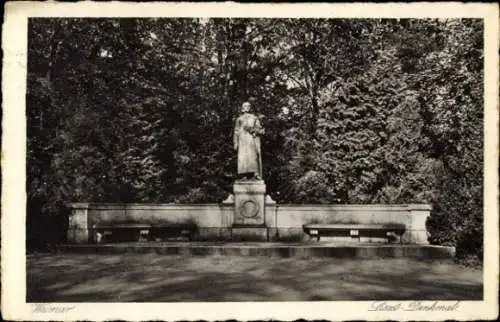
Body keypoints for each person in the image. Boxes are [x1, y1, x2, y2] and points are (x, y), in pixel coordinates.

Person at [233, 102, 264, 180]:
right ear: (242, 108)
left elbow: (259, 128)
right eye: (245, 106)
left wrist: (255, 132)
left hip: (251, 138)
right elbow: (236, 131)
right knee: (243, 157)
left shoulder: (254, 118)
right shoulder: (239, 119)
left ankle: (255, 173)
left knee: (252, 155)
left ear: (250, 108)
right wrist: (235, 142)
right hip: (242, 140)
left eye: (248, 106)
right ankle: (244, 175)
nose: (247, 107)